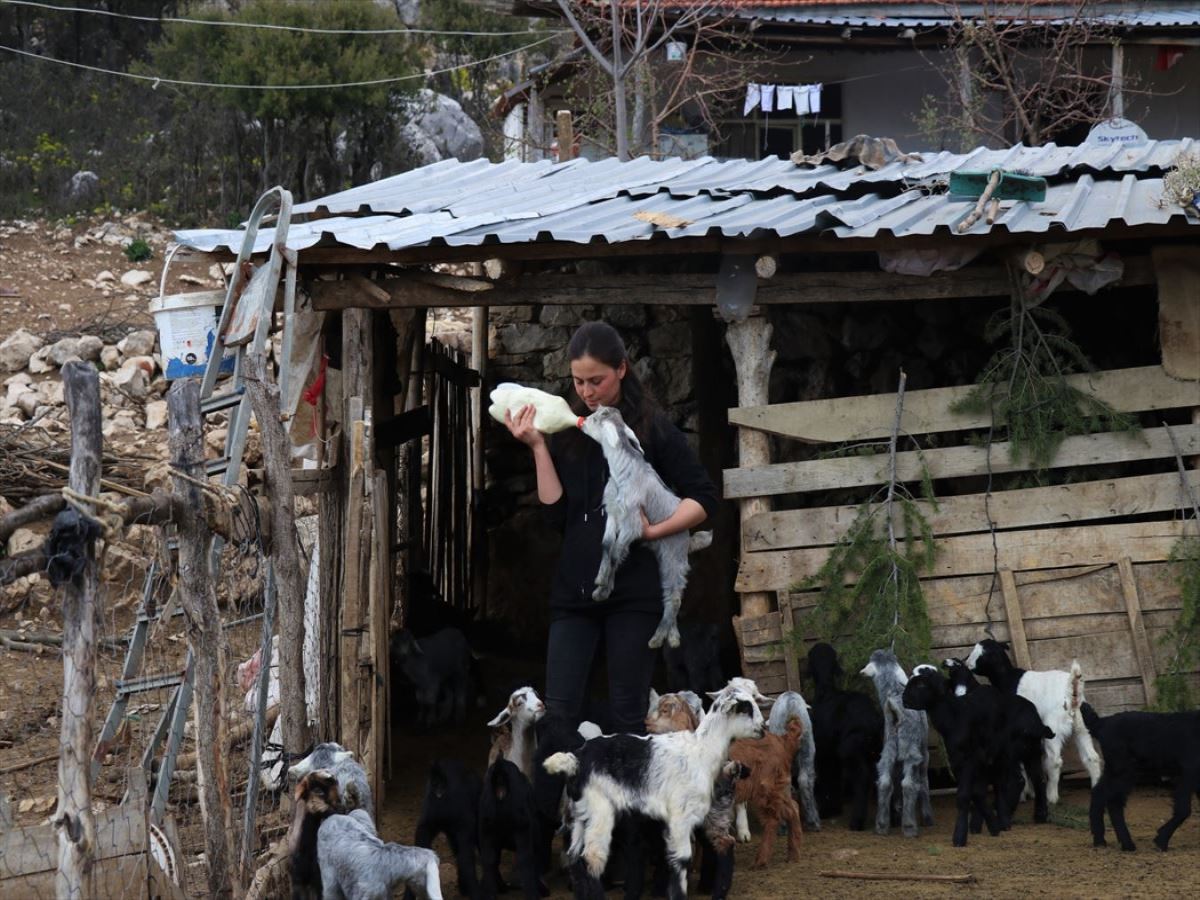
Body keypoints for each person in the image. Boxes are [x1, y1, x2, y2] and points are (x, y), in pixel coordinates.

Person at [503, 321, 718, 734]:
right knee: (560, 714)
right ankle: (560, 799)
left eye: (596, 381)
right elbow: (556, 516)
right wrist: (536, 447)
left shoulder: (652, 430)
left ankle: (626, 800)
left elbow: (703, 497)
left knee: (627, 713)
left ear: (622, 369)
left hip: (634, 594)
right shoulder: (569, 430)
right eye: (578, 382)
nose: (586, 392)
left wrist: (655, 532)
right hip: (574, 591)